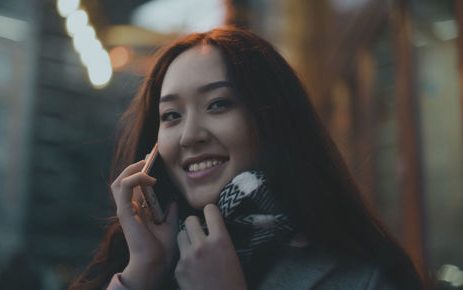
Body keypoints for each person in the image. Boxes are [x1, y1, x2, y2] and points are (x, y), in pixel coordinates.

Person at [70, 27, 430, 290]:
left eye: (218, 104)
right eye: (171, 116)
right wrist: (143, 270)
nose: (189, 135)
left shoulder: (361, 281)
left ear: (271, 120)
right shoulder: (146, 268)